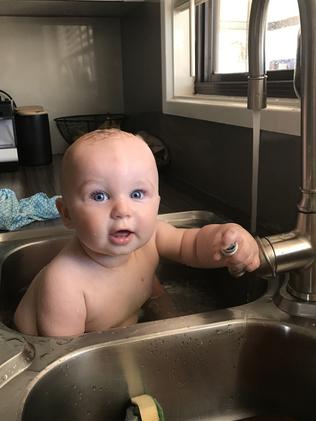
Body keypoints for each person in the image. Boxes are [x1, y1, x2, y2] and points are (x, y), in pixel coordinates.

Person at [14, 129, 260, 337]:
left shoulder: (150, 237)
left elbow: (192, 244)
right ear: (66, 214)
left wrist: (228, 237)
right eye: (99, 196)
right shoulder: (63, 286)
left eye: (137, 194)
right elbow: (63, 362)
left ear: (157, 202)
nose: (122, 210)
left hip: (130, 317)